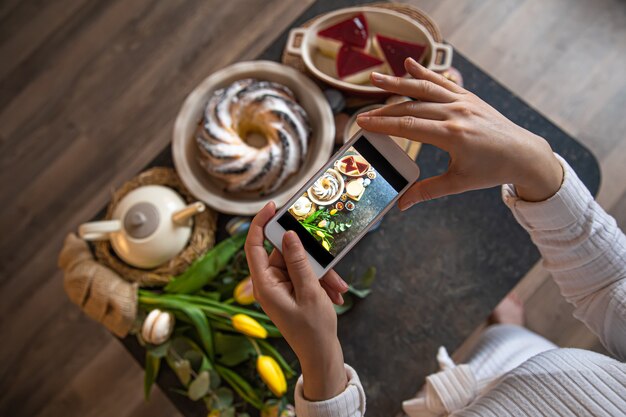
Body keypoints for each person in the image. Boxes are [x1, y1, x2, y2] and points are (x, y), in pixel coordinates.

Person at [244, 58, 626, 416]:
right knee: (507, 341)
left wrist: (321, 359)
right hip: (526, 364)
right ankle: (509, 332)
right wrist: (537, 165)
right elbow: (615, 288)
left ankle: (507, 334)